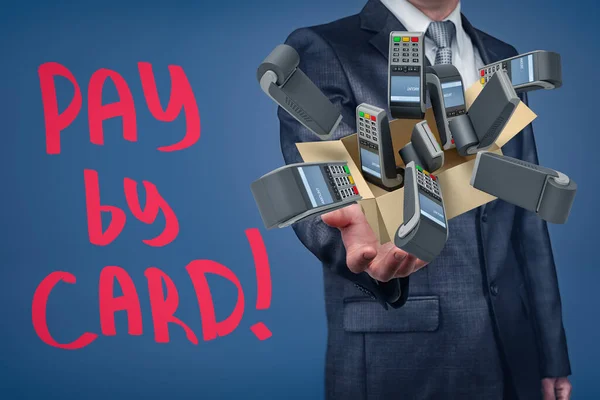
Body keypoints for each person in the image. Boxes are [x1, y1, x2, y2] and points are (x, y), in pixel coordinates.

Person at [278, 0, 573, 399]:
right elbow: (325, 188)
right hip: (402, 353)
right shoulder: (323, 47)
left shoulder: (503, 57)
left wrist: (550, 354)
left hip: (511, 349)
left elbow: (525, 219)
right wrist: (358, 240)